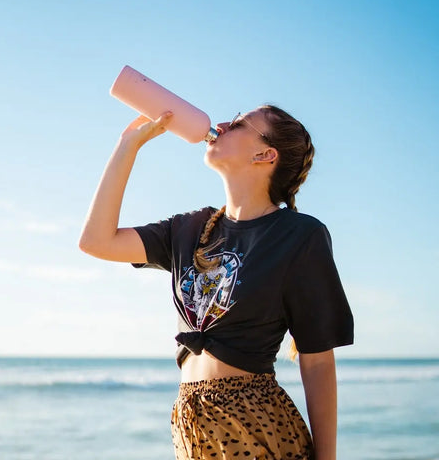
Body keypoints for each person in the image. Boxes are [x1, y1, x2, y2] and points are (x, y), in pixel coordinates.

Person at [79, 104, 354, 460]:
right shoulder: (189, 229)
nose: (222, 124)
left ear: (265, 154)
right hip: (192, 426)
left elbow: (316, 360)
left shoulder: (299, 236)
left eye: (240, 124)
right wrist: (127, 146)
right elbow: (96, 241)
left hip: (255, 424)